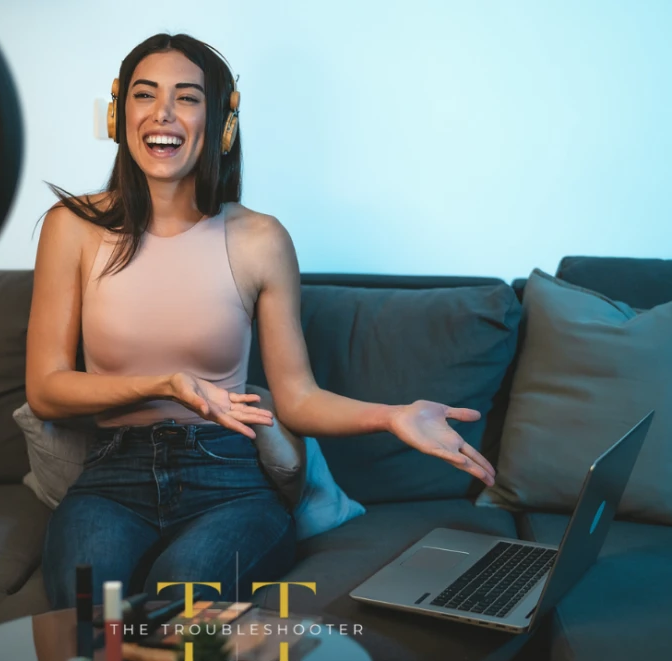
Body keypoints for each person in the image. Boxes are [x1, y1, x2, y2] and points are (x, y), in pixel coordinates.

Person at [26, 33, 496, 610]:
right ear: (119, 112)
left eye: (188, 97)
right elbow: (46, 390)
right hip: (112, 475)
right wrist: (165, 384)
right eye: (145, 95)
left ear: (222, 121)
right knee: (87, 611)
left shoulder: (261, 239)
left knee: (183, 606)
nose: (162, 113)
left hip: (228, 477)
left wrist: (394, 416)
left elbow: (296, 398)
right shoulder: (71, 227)